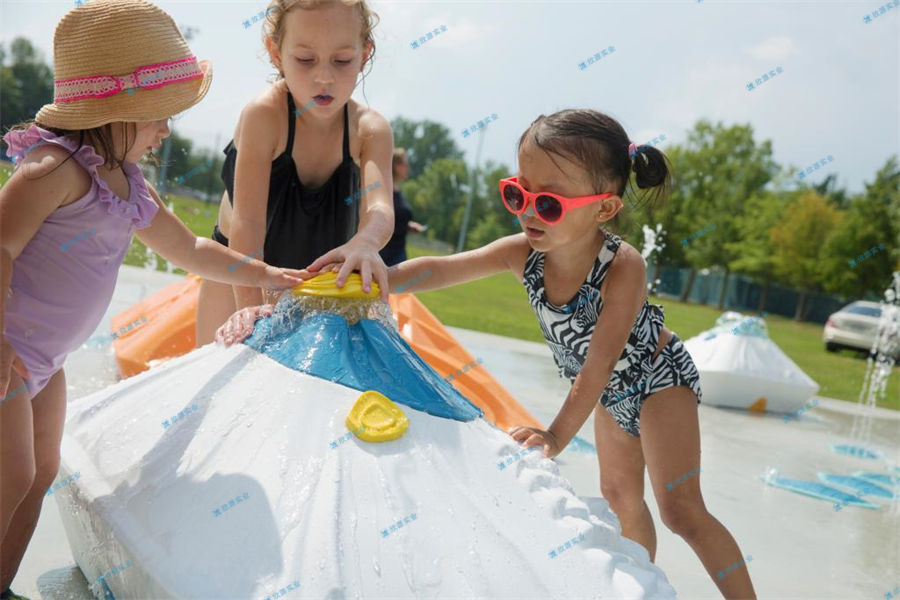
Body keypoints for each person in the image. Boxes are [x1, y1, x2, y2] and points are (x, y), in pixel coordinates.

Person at [217, 108, 757, 599]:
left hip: (656, 379)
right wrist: (373, 277)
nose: (528, 212)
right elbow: (442, 268)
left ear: (605, 209)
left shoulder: (623, 266)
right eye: (518, 194)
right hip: (608, 393)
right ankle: (644, 589)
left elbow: (597, 366)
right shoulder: (522, 253)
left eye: (548, 202)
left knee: (680, 510)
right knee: (620, 497)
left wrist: (552, 434)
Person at [0, 3, 305, 598]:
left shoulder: (128, 186)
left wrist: (266, 269)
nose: (166, 131)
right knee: (8, 475)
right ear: (116, 110)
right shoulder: (51, 168)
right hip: (8, 355)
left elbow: (191, 248)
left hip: (47, 363)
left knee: (38, 475)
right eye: (158, 116)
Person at [195, 0, 395, 345]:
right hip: (237, 274)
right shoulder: (265, 116)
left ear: (365, 55)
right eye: (305, 60)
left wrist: (366, 241)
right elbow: (248, 223)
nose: (324, 76)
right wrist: (249, 307)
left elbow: (381, 208)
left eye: (342, 60)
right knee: (217, 384)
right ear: (275, 52)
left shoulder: (369, 130)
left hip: (313, 282)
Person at [379, 148, 425, 266]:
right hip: (382, 252)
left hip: (398, 253)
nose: (408, 168)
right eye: (405, 164)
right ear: (395, 165)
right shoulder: (380, 188)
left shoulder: (397, 190)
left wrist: (409, 225)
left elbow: (396, 218)